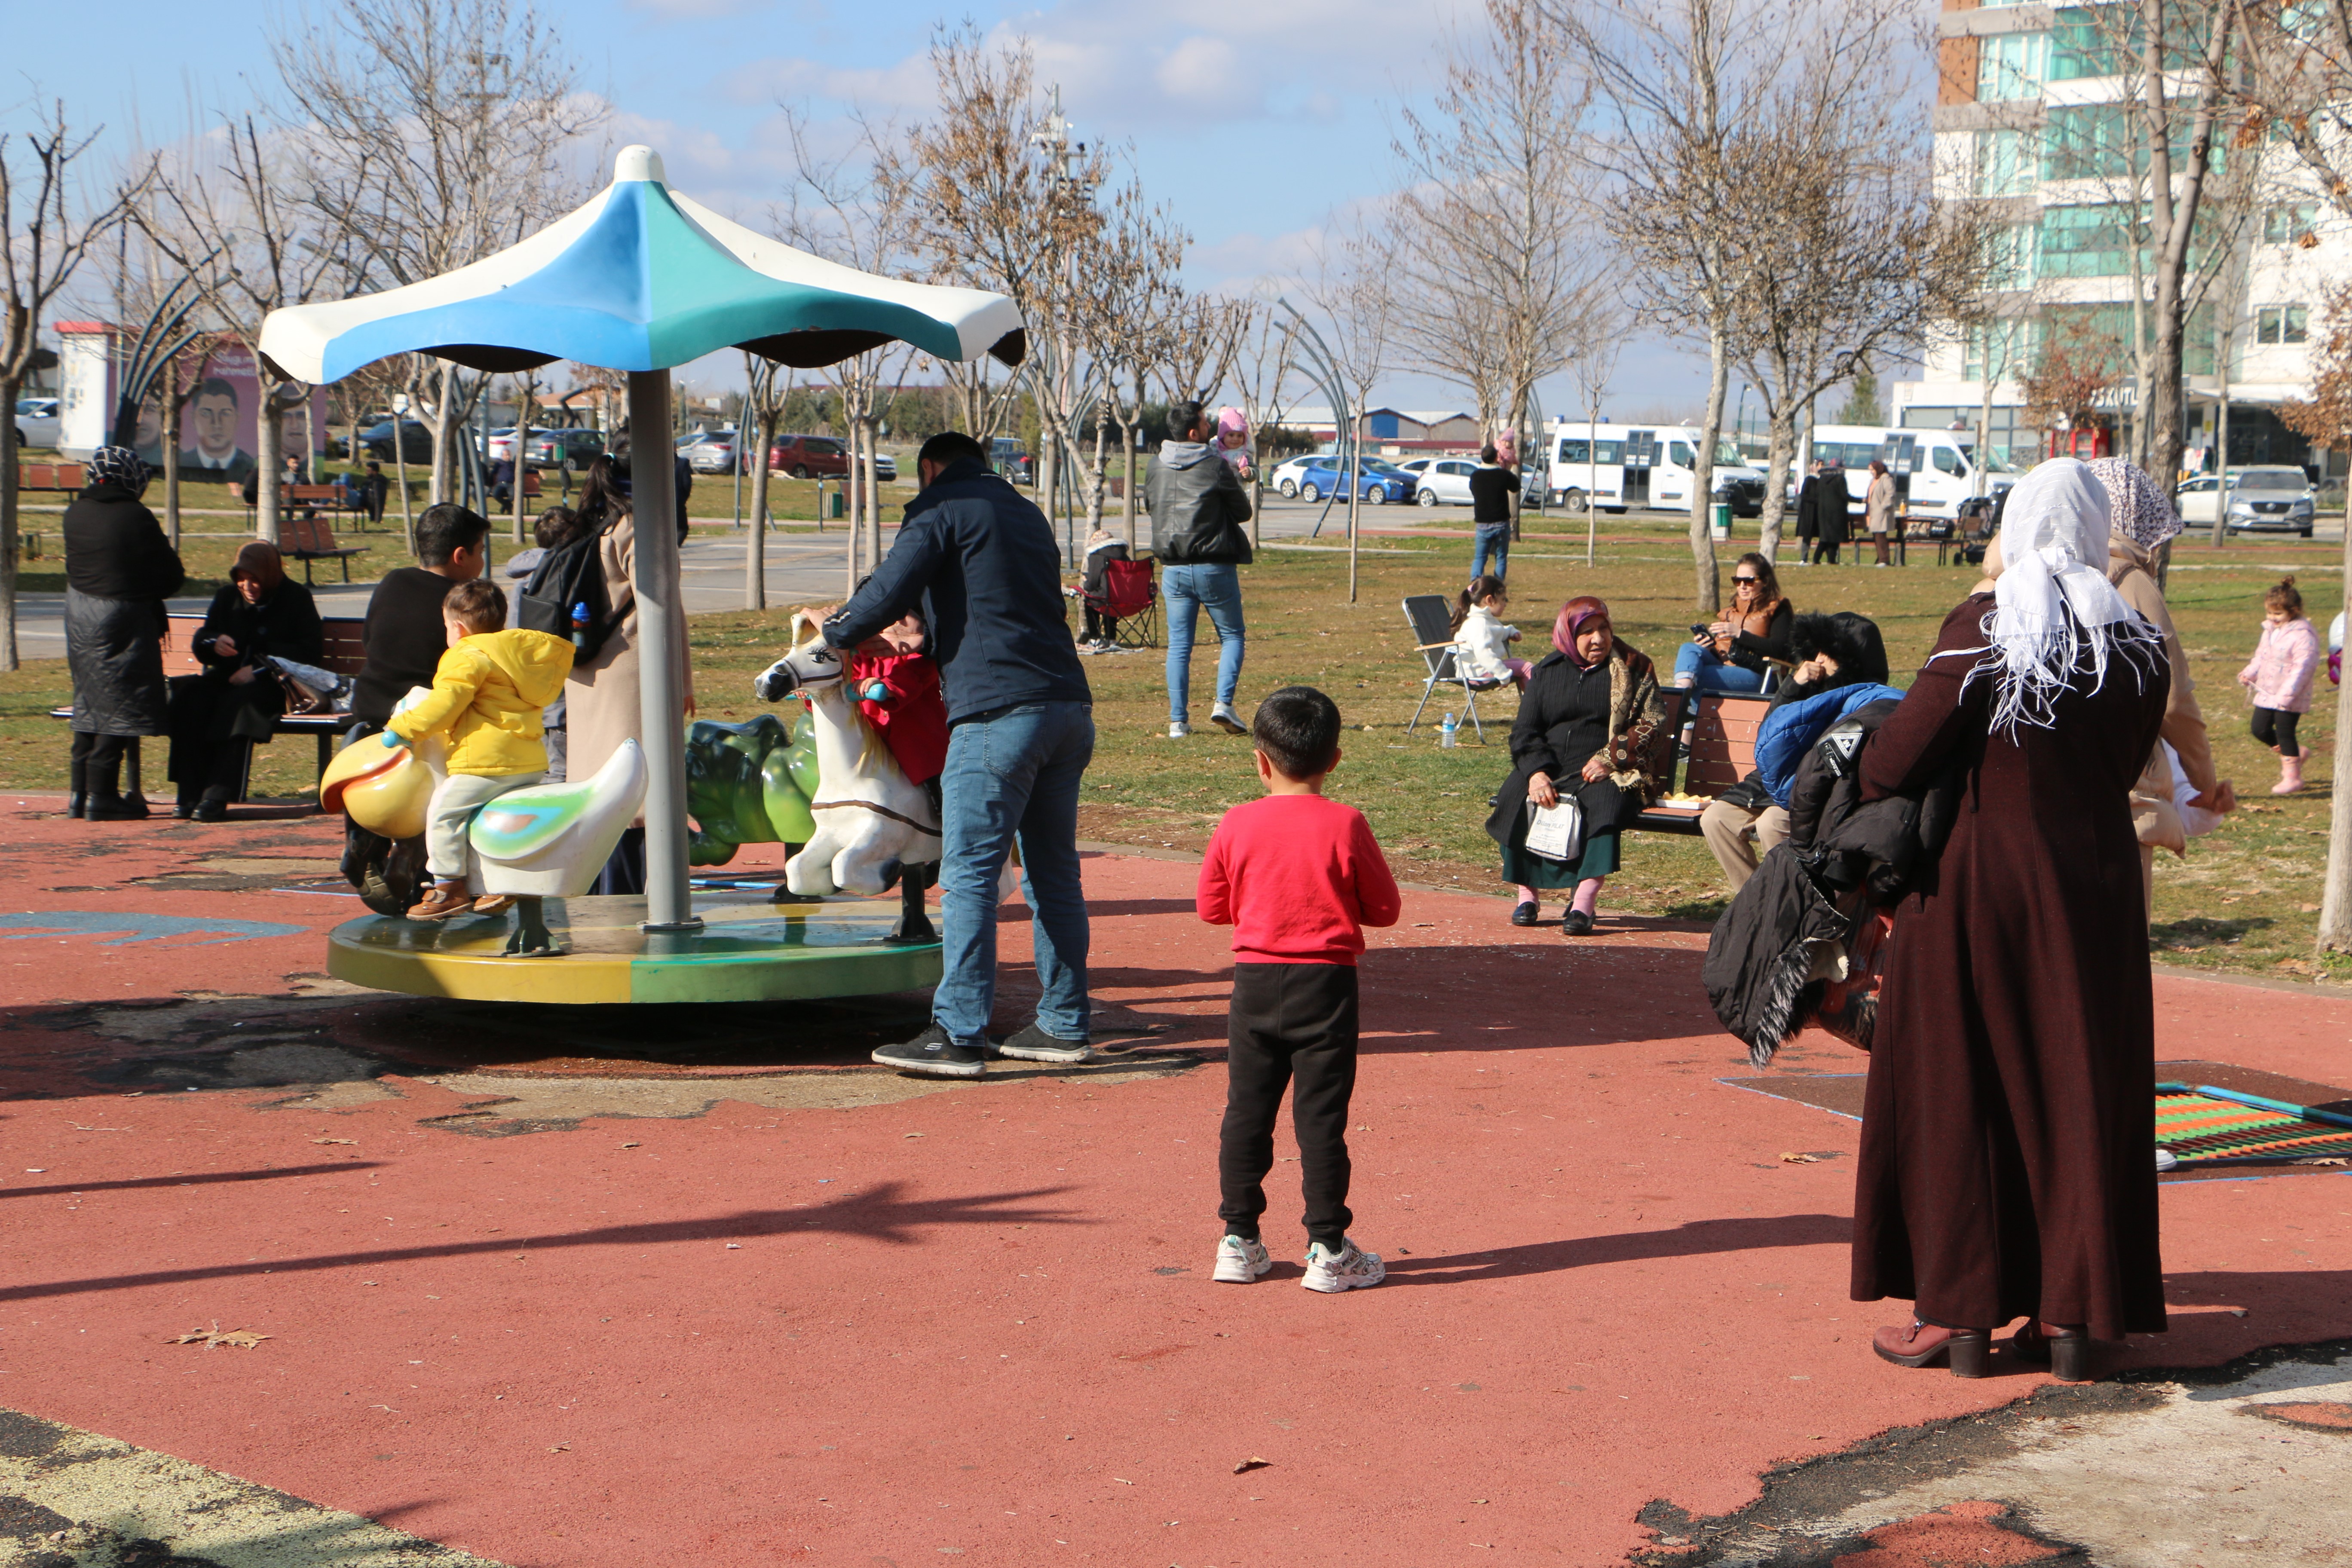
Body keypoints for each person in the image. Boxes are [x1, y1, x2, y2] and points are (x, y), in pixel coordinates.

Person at [1854, 456, 2170, 1382]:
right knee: (2079, 1084)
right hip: (2096, 890)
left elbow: (1893, 763)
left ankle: (1956, 1313)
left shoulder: (1987, 626)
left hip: (1978, 884)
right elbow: (2123, 764)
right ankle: (2072, 1315)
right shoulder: (2137, 644)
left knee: (1958, 1082)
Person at [818, 431, 1096, 1079]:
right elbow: (993, 598)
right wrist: (927, 632)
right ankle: (1063, 1023)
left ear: (929, 468)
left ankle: (958, 1032)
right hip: (1067, 707)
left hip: (997, 712)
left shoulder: (940, 506)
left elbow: (888, 589)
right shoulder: (1024, 512)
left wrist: (835, 631)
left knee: (969, 871)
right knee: (1053, 873)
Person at [1197, 686, 1400, 1293]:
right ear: (1334, 759)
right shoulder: (1347, 823)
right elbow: (1385, 909)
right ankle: (1328, 1248)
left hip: (1255, 982)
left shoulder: (1236, 822)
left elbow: (1212, 908)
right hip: (1327, 985)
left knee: (1246, 1112)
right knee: (1321, 1120)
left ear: (1260, 761)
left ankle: (1239, 1239)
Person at [2082, 457, 2233, 901]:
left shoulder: (2012, 574)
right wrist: (2206, 782)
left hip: (2035, 790)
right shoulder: (2129, 582)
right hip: (2118, 797)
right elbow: (2173, 699)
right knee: (2113, 936)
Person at [384, 578, 575, 920]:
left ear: (457, 628)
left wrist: (402, 729)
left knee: (443, 812)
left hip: (485, 762)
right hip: (529, 761)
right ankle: (499, 881)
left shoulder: (466, 655)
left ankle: (448, 887)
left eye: (446, 626)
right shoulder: (518, 657)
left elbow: (444, 705)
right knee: (487, 820)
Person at [1486, 597, 1671, 936]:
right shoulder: (1549, 670)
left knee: (1605, 804)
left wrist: (1610, 759)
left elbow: (1653, 722)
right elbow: (1525, 730)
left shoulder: (1634, 667)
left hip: (1606, 766)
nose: (1598, 639)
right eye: (1586, 633)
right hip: (1551, 763)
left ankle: (1583, 904)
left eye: (1603, 629)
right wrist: (1536, 772)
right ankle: (1527, 896)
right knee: (1513, 797)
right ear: (1569, 636)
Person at [1699, 612, 1899, 893]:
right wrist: (1795, 684)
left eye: (1827, 653)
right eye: (1817, 651)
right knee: (1716, 819)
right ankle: (1755, 899)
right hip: (1775, 781)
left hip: (1816, 791)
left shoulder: (1871, 699)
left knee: (1771, 825)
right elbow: (1771, 730)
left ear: (1849, 657)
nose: (1819, 659)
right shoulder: (1808, 685)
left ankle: (1792, 901)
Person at [565, 493, 692, 897]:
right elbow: (661, 604)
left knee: (597, 786)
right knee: (635, 789)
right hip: (631, 667)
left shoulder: (591, 521)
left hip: (585, 667)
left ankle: (596, 889)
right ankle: (631, 896)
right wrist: (683, 680)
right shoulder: (639, 527)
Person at [62, 447, 184, 821]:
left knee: (89, 700)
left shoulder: (75, 512)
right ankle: (103, 796)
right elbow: (171, 575)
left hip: (80, 614)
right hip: (122, 619)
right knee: (121, 703)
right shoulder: (134, 515)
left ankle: (79, 795)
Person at [166, 542, 323, 820]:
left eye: (254, 579)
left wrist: (259, 669)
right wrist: (214, 642)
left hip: (275, 684)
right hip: (226, 677)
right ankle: (188, 794)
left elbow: (310, 652)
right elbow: (205, 638)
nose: (247, 586)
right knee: (191, 698)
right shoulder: (227, 596)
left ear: (270, 574)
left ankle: (216, 794)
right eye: (241, 578)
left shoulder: (296, 598)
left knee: (240, 707)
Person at [1147, 398, 1254, 738]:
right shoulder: (1214, 465)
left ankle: (1178, 722)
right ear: (1194, 433)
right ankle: (1223, 704)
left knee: (1179, 646)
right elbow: (1243, 512)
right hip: (1213, 565)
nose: (1212, 428)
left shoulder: (1155, 465)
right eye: (1207, 424)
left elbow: (1152, 505)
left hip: (1173, 568)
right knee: (1232, 635)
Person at [504, 508, 579, 781]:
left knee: (541, 767)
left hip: (526, 688)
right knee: (561, 770)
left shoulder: (522, 578)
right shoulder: (561, 576)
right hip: (558, 692)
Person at [2239, 576, 2321, 796]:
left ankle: (2292, 777)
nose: (2272, 618)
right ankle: (2296, 754)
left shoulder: (2303, 636)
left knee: (2285, 732)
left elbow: (2303, 668)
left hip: (2290, 695)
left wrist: (2288, 694)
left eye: (2278, 614)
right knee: (2259, 729)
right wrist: (2250, 673)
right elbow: (2261, 656)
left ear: (2294, 611)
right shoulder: (2270, 631)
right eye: (2270, 613)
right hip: (2268, 690)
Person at [1674, 551, 1792, 692]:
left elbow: (1779, 649)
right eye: (1737, 581)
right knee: (1689, 649)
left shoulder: (1778, 608)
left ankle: (1679, 698)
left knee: (1696, 674)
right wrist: (1709, 648)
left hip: (1759, 674)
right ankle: (1681, 695)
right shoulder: (1731, 611)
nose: (1742, 586)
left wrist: (1740, 634)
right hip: (1726, 667)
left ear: (1765, 581)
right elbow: (1723, 651)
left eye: (1748, 581)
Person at [1449, 575, 1529, 689]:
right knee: (1526, 668)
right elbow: (1484, 654)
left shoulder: (1485, 620)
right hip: (1477, 674)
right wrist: (1502, 674)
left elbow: (1496, 632)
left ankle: (1532, 697)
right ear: (1490, 600)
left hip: (1479, 671)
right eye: (1503, 599)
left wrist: (1510, 632)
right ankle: (1537, 699)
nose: (1505, 604)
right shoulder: (1479, 625)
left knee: (1519, 662)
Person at [1077, 525, 1130, 652]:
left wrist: (1086, 582)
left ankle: (1095, 637)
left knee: (1091, 600)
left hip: (1107, 599)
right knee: (1111, 597)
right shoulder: (1124, 556)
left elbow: (1092, 584)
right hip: (1129, 598)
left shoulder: (1097, 556)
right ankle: (1111, 638)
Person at [1468, 444, 1517, 581]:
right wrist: (1507, 469)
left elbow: (1473, 491)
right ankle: (1498, 586)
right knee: (1501, 558)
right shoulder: (1503, 474)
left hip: (1483, 522)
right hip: (1501, 522)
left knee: (1480, 557)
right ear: (1497, 458)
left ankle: (1475, 584)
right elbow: (1516, 487)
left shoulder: (1476, 476)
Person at [1865, 459, 1897, 567]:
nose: (1871, 472)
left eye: (1872, 470)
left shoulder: (1886, 479)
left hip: (1881, 512)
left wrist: (1883, 506)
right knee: (1876, 535)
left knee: (1880, 536)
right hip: (1872, 511)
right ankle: (1880, 559)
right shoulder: (1873, 480)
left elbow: (1890, 494)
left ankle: (1884, 560)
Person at [1793, 458, 1825, 565]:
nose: (1821, 467)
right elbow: (1804, 495)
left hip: (1820, 512)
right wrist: (1817, 501)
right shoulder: (1809, 479)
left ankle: (1817, 558)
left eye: (1822, 465)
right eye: (1819, 465)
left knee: (1824, 535)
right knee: (1807, 536)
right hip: (1809, 512)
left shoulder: (1824, 480)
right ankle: (1804, 558)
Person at [1213, 406, 1254, 479]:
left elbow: (1255, 469)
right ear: (1223, 436)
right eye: (1231, 435)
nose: (1235, 439)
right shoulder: (1215, 450)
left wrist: (1249, 471)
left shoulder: (1245, 453)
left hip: (1237, 485)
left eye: (1240, 436)